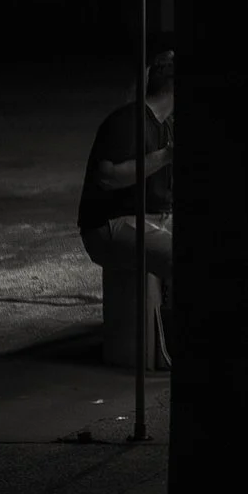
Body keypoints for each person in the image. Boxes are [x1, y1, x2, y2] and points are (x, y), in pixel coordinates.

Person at [78, 51, 177, 337]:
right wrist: (166, 156)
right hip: (109, 225)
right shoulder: (128, 120)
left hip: (148, 217)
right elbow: (107, 178)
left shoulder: (167, 125)